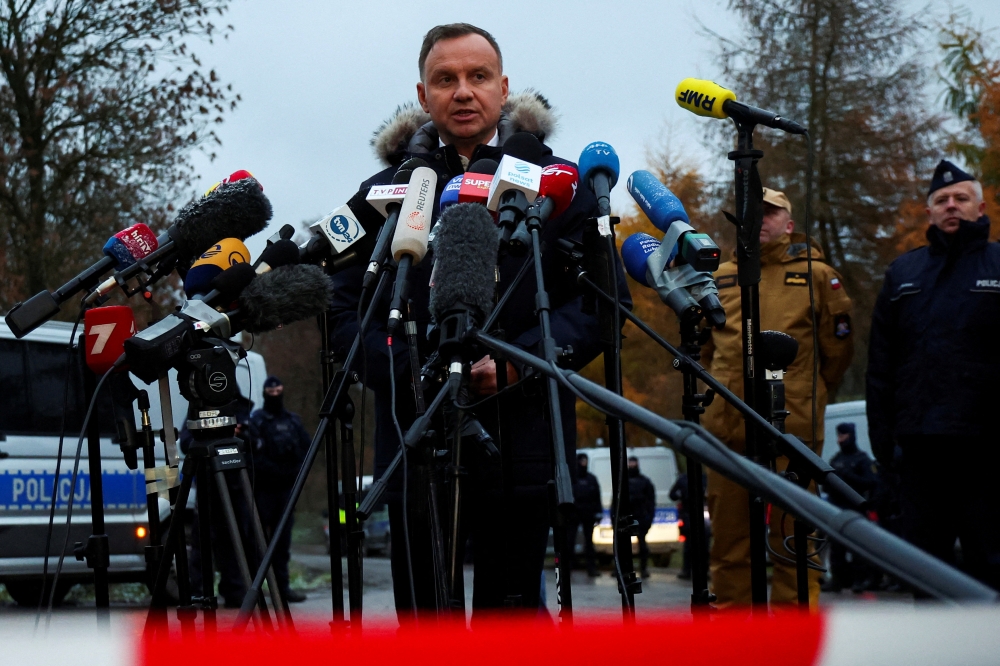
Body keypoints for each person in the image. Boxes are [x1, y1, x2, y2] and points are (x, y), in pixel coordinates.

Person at [325, 23, 629, 618]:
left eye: (477, 77)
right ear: (423, 95)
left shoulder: (560, 186)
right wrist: (401, 368)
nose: (462, 92)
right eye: (446, 79)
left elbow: (604, 307)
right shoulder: (384, 192)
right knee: (423, 621)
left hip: (524, 435)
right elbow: (338, 305)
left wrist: (518, 363)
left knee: (511, 620)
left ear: (503, 86)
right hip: (414, 433)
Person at [700, 186, 855, 609]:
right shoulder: (718, 277)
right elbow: (702, 352)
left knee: (795, 542)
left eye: (771, 214)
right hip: (728, 431)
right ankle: (737, 646)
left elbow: (837, 350)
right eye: (753, 213)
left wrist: (810, 391)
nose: (760, 221)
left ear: (789, 224)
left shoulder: (816, 274)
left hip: (795, 430)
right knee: (731, 547)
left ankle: (794, 641)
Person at [866, 160, 1000, 591]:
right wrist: (883, 445)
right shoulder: (903, 274)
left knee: (990, 569)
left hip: (987, 451)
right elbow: (882, 365)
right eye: (941, 200)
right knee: (925, 575)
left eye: (961, 198)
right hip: (921, 454)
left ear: (981, 207)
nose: (951, 206)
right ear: (929, 214)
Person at [182, 392, 256, 608]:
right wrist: (208, 438)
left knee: (235, 541)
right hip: (207, 484)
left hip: (235, 485)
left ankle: (235, 591)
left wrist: (240, 436)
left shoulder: (244, 409)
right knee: (201, 542)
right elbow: (187, 442)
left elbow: (256, 443)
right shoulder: (197, 408)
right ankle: (199, 593)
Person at [249, 376, 311, 603]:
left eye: (278, 392)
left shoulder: (293, 421)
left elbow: (307, 449)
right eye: (271, 393)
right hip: (263, 491)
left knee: (282, 543)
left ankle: (282, 590)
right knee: (257, 542)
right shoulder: (257, 421)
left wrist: (293, 471)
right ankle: (254, 591)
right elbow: (252, 455)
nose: (275, 396)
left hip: (286, 491)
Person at [821, 423, 877, 593]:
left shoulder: (862, 459)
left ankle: (859, 580)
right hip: (837, 509)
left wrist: (849, 477)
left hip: (855, 510)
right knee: (836, 550)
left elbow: (872, 482)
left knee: (857, 548)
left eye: (843, 436)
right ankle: (838, 580)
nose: (840, 440)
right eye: (839, 436)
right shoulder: (836, 460)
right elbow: (825, 484)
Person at [570, 453, 602, 577]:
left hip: (588, 513)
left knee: (589, 542)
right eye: (582, 460)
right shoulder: (574, 478)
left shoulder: (591, 479)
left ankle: (591, 568)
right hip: (575, 513)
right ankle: (570, 566)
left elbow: (597, 496)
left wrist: (598, 512)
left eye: (585, 460)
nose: (584, 463)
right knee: (570, 541)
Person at [627, 456, 656, 579]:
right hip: (628, 516)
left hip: (641, 516)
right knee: (625, 545)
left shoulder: (645, 482)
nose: (632, 465)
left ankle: (643, 569)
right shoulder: (625, 480)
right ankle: (627, 569)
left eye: (634, 463)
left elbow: (651, 501)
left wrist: (649, 518)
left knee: (642, 545)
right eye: (631, 463)